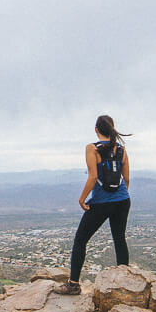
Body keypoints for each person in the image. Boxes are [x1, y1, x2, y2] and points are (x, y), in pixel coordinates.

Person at [55, 115, 131, 294]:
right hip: (123, 200)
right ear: (112, 128)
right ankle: (127, 283)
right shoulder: (121, 149)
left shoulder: (92, 148)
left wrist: (82, 199)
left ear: (96, 130)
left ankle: (73, 285)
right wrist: (119, 196)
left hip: (101, 202)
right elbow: (126, 178)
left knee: (81, 240)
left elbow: (93, 176)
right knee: (119, 239)